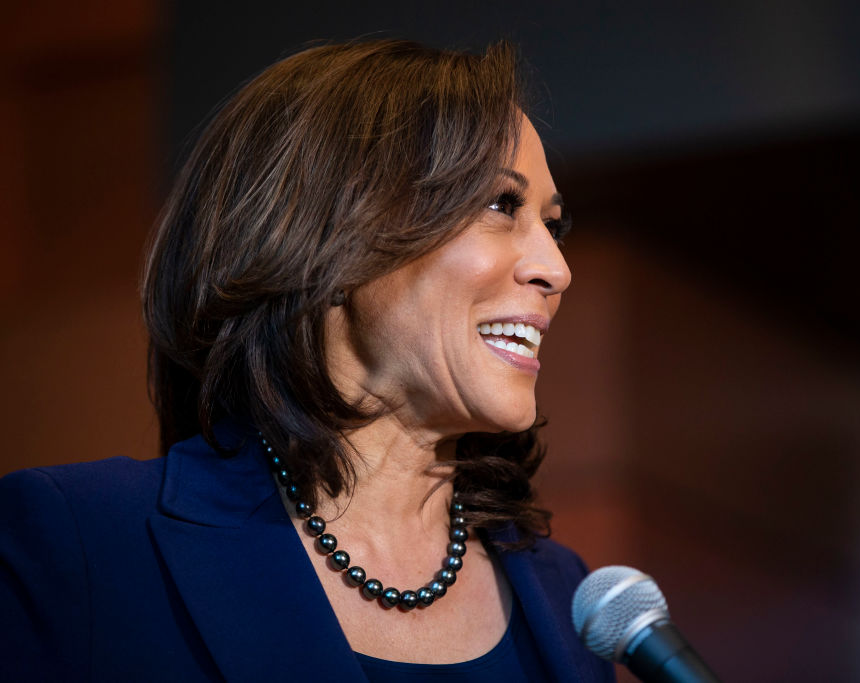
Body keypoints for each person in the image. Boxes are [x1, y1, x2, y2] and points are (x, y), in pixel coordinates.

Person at [0, 39, 613, 682]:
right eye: (500, 204)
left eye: (554, 226)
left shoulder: (569, 599)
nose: (557, 269)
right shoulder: (81, 547)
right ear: (334, 236)